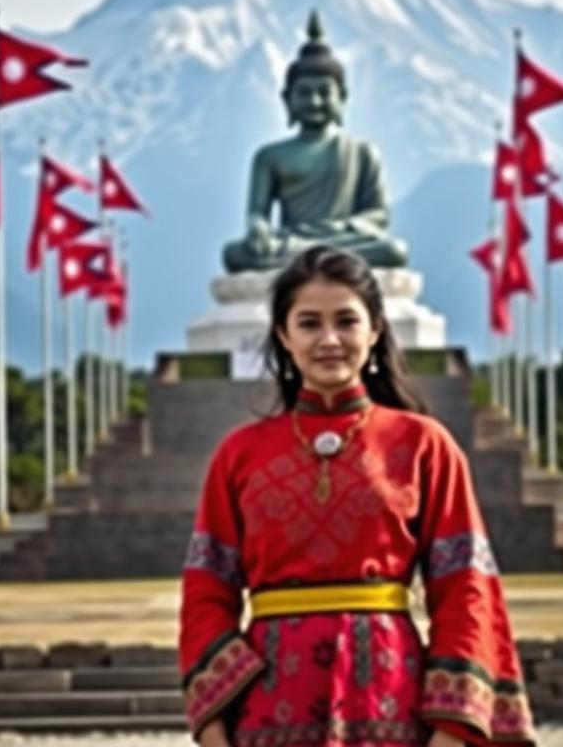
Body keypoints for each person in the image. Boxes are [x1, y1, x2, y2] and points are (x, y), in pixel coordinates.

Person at [179, 246, 535, 747]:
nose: (329, 340)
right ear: (284, 335)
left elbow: (466, 589)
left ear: (375, 331)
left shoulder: (424, 445)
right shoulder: (239, 455)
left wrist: (452, 729)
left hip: (394, 706)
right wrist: (214, 728)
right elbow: (206, 592)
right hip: (265, 715)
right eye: (309, 324)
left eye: (346, 321)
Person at [222, 13, 408, 273]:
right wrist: (258, 229)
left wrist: (345, 226)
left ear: (342, 98)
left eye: (324, 92)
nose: (315, 102)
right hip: (292, 241)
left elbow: (379, 214)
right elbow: (257, 214)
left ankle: (317, 257)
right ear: (287, 100)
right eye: (304, 93)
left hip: (343, 240)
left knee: (394, 251)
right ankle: (314, 257)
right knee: (234, 255)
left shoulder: (362, 152)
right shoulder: (270, 156)